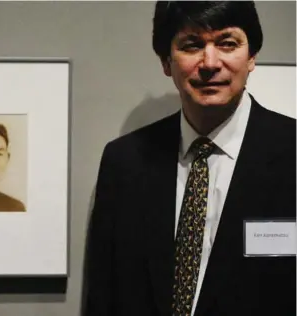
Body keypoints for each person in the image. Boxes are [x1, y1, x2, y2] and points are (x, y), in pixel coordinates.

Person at [83, 2, 295, 316]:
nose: (210, 62)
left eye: (227, 43)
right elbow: (103, 297)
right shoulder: (124, 162)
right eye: (191, 45)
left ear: (252, 56)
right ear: (166, 61)